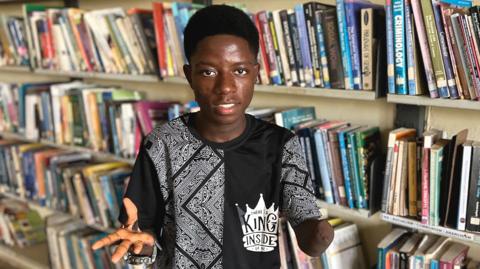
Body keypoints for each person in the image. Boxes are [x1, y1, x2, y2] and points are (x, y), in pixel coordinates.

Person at [92, 4, 334, 268]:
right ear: (189, 76)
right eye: (208, 72)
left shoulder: (280, 145)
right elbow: (141, 235)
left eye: (239, 71)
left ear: (255, 73)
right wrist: (142, 247)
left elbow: (307, 227)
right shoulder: (161, 144)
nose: (225, 88)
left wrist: (318, 236)